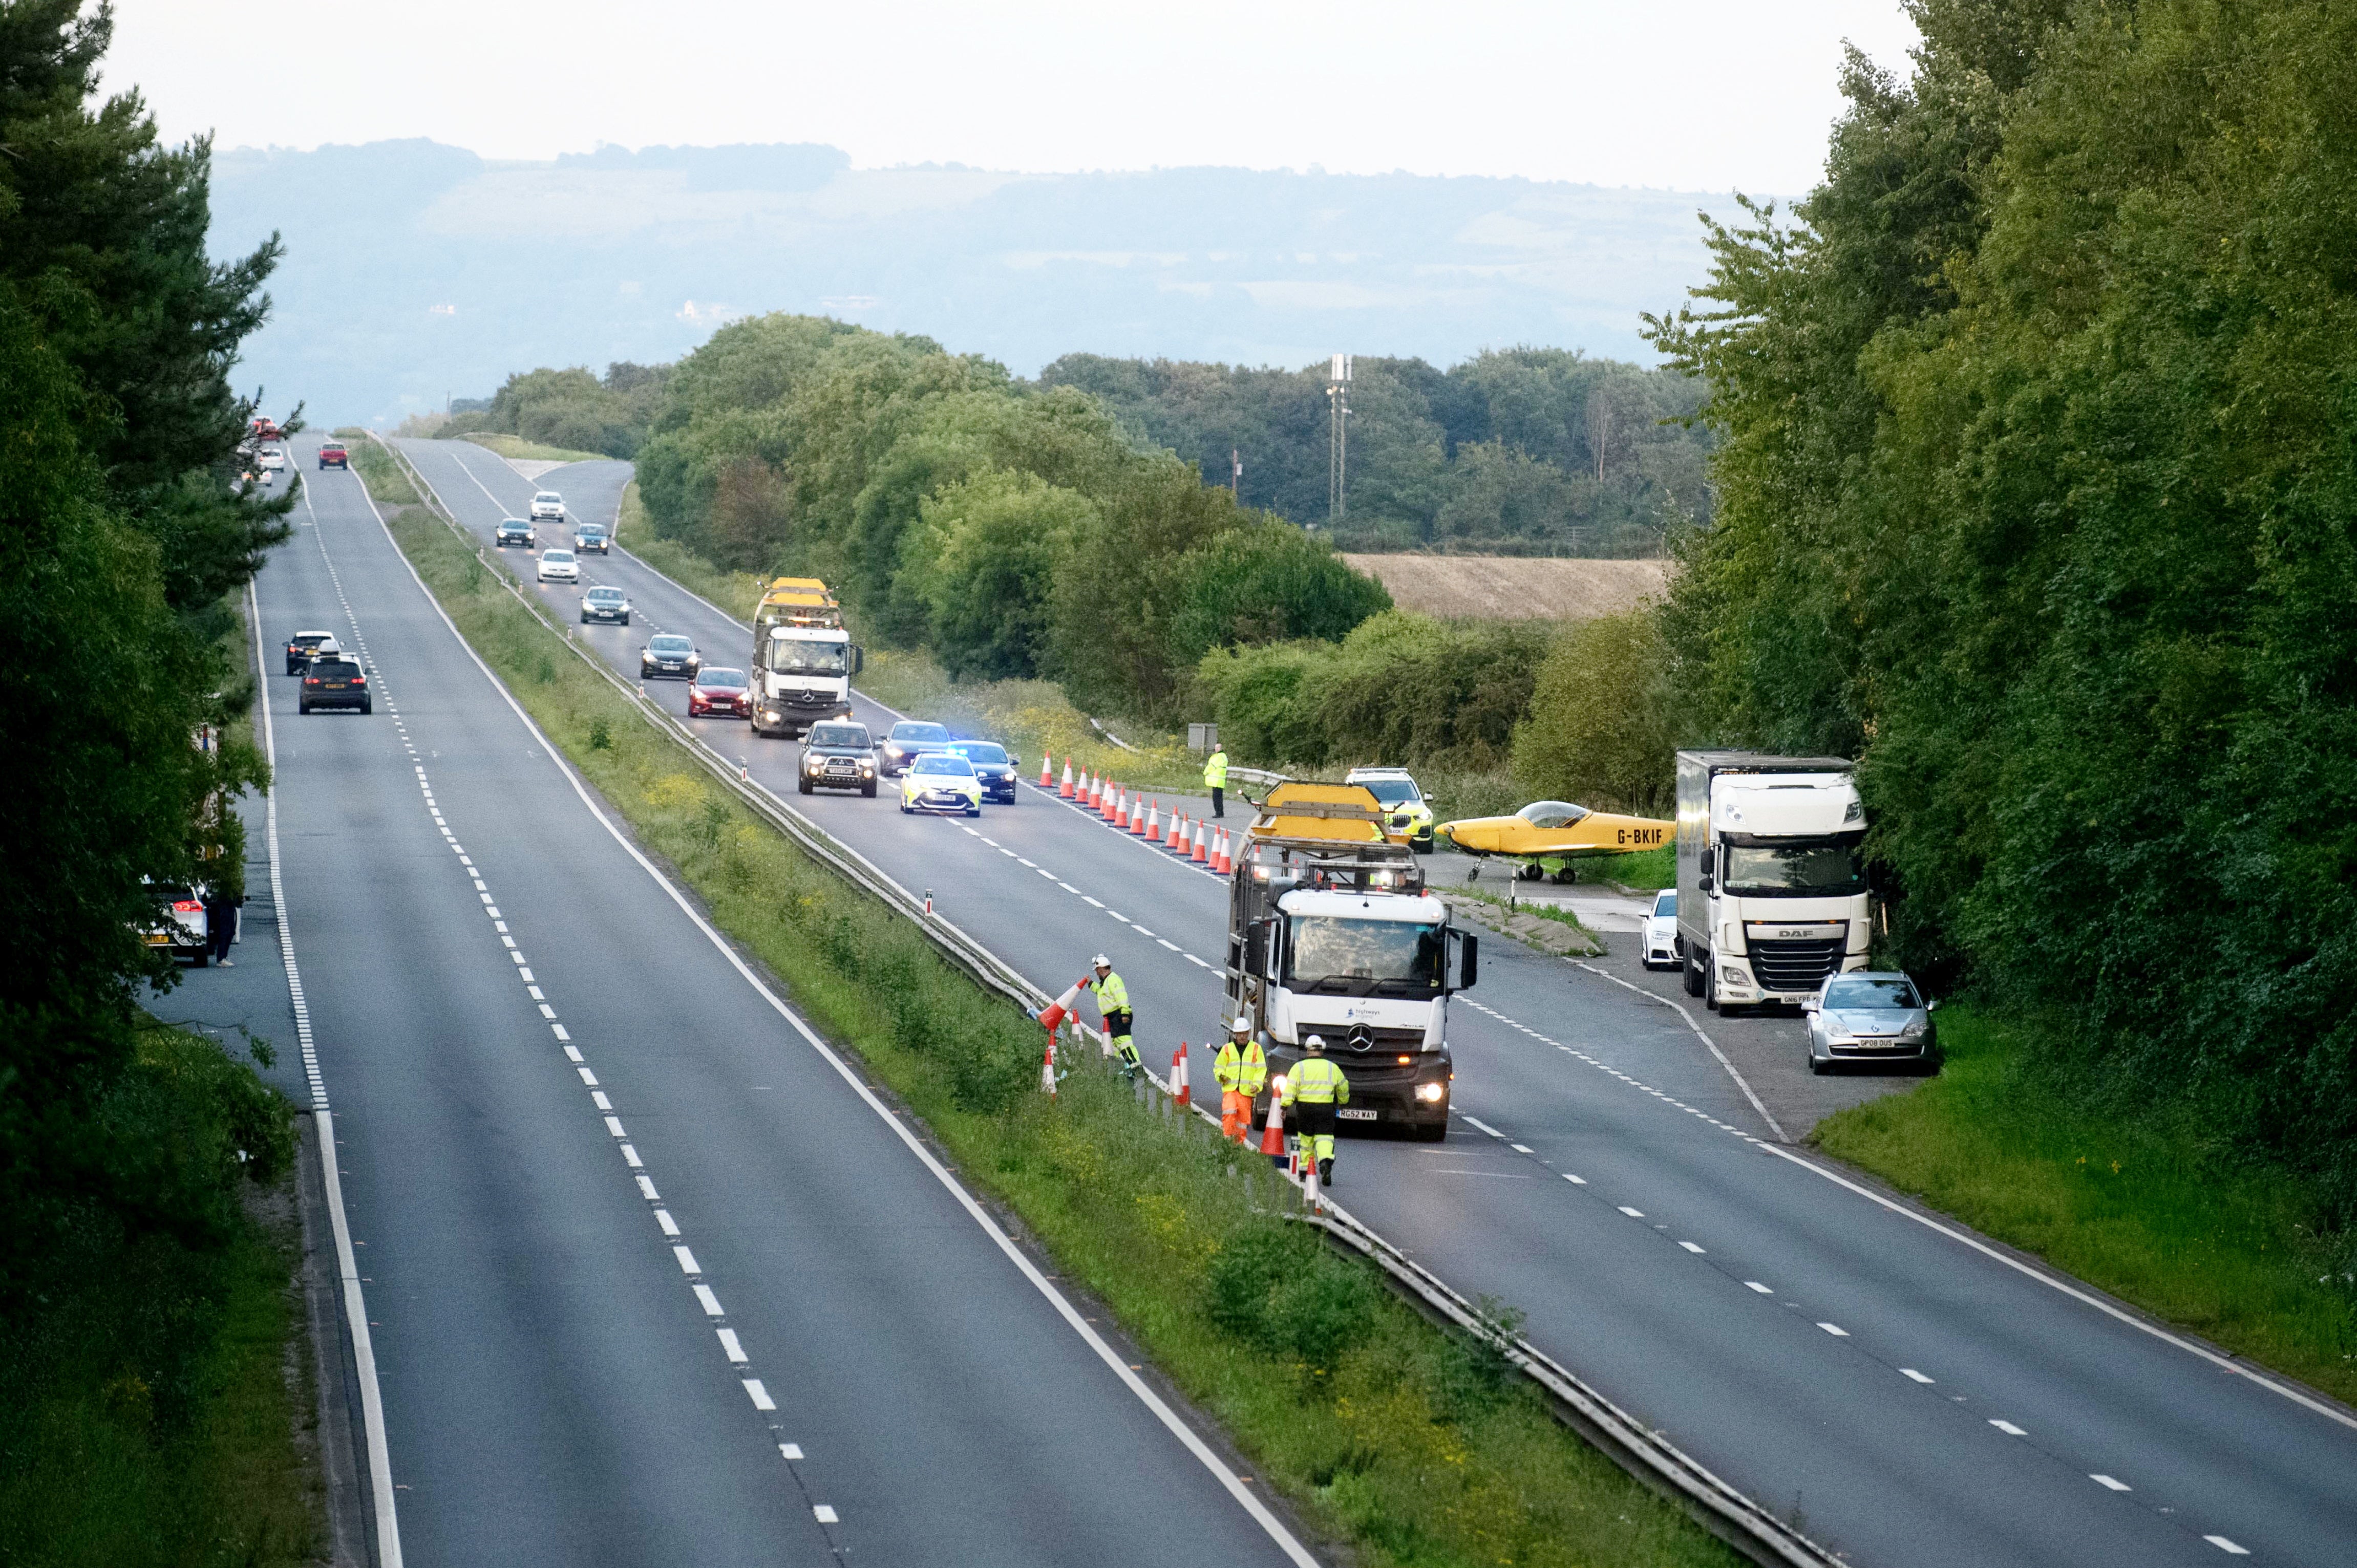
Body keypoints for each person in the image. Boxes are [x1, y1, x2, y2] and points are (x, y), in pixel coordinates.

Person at [1282, 1034, 1350, 1186]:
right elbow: (1343, 1086)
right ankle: (1325, 1162)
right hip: (1325, 1109)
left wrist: (1284, 1106)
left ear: (1307, 1050)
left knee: (1306, 1140)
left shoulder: (1298, 1067)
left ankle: (1305, 1171)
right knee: (1325, 1137)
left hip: (1304, 1109)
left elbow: (1290, 1088)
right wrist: (1343, 1101)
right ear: (1322, 1050)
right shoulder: (1333, 1068)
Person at [1213, 1016, 1267, 1143]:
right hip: (1231, 1089)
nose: (1242, 1037)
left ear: (1248, 1033)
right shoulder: (1227, 1049)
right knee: (1229, 1110)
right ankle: (1227, 1140)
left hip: (1246, 1092)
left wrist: (1257, 1085)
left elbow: (1261, 1070)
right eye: (1239, 1034)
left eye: (1244, 1034)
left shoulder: (1256, 1049)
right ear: (1235, 1035)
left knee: (1243, 1122)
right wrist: (1221, 1076)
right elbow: (1218, 1066)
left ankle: (1238, 1145)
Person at [1088, 954, 1140, 1078]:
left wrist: (1124, 1014)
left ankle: (1138, 1071)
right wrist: (1090, 984)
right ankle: (1114, 1072)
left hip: (1119, 1016)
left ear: (1101, 969)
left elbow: (1122, 997)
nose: (1096, 974)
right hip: (1114, 1018)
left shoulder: (1113, 980)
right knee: (1114, 1045)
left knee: (1125, 1044)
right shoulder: (1106, 982)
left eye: (1097, 971)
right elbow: (1102, 993)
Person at [203, 886, 240, 968]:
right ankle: (221, 958)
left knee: (230, 932)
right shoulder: (224, 879)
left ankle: (223, 957)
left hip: (228, 904)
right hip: (223, 905)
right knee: (225, 932)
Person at [1202, 743, 1228, 819]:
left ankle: (1219, 813)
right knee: (1219, 797)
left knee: (1216, 798)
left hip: (1217, 781)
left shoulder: (1220, 756)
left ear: (1221, 748)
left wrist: (1205, 772)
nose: (1217, 749)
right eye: (1216, 747)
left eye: (1218, 747)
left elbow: (1212, 766)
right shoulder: (1222, 756)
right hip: (1218, 781)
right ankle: (1220, 813)